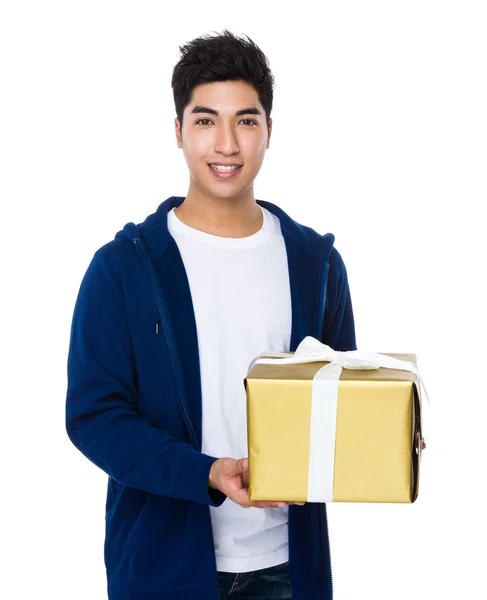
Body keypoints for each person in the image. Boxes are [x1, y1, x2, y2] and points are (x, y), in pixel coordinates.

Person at [65, 29, 424, 600]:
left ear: (269, 131)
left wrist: (388, 433)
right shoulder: (124, 269)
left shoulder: (316, 264)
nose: (227, 144)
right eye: (206, 121)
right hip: (163, 569)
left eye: (246, 120)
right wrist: (205, 472)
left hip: (289, 565)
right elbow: (94, 415)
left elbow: (335, 404)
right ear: (178, 131)